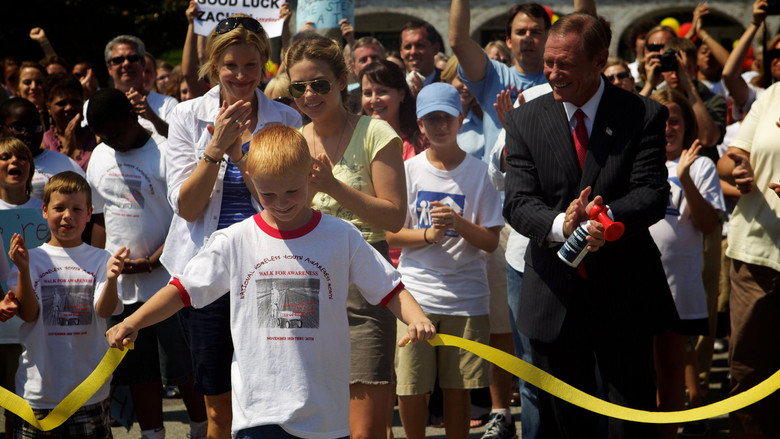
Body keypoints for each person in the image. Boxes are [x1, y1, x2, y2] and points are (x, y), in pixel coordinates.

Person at [107, 124, 436, 439]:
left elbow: (390, 288)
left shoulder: (342, 237)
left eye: (292, 191)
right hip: (259, 411)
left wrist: (417, 318)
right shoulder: (235, 240)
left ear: (310, 174)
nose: (281, 203)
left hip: (325, 416)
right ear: (250, 178)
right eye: (268, 194)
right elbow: (182, 291)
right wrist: (134, 321)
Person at [503, 12, 677, 438]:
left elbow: (652, 193)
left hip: (625, 292)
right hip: (554, 295)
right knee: (563, 423)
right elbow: (519, 203)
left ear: (600, 61)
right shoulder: (526, 120)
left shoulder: (643, 114)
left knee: (630, 418)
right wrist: (566, 225)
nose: (553, 74)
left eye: (565, 65)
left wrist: (605, 220)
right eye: (548, 63)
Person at [161, 15, 301, 439]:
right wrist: (215, 149)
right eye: (231, 66)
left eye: (251, 66)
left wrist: (240, 155)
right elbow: (186, 207)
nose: (241, 76)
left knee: (274, 395)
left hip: (271, 269)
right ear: (214, 66)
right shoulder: (187, 116)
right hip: (208, 272)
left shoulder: (286, 120)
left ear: (264, 65)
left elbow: (288, 206)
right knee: (219, 405)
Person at [285, 34, 407, 439]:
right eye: (298, 87)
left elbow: (394, 215)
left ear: (342, 80)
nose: (309, 94)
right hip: (307, 279)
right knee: (316, 419)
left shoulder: (377, 133)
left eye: (319, 83)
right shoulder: (295, 142)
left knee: (365, 426)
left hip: (363, 278)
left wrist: (335, 188)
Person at [86, 88, 208, 439]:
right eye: (104, 137)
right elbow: (98, 217)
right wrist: (96, 266)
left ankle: (201, 427)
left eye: (116, 133)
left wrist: (156, 259)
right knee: (137, 368)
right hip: (121, 286)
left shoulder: (166, 153)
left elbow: (187, 215)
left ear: (131, 117)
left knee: (181, 365)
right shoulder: (99, 154)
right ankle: (152, 433)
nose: (112, 142)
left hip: (167, 282)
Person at [387, 82, 502, 439]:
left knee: (459, 388)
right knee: (410, 387)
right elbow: (392, 235)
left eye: (446, 118)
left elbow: (490, 241)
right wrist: (429, 235)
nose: (439, 126)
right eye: (431, 119)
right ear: (420, 125)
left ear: (460, 118)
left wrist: (459, 223)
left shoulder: (478, 172)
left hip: (466, 298)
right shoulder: (409, 170)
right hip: (415, 296)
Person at [6, 171, 127, 438]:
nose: (67, 215)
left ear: (89, 213)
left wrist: (111, 279)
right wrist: (24, 270)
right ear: (44, 210)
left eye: (76, 209)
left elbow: (104, 311)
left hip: (88, 392)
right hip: (36, 393)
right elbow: (28, 315)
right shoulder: (32, 258)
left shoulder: (101, 258)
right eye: (59, 208)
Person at [649, 88, 724, 439]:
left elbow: (708, 225)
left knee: (671, 373)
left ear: (686, 125)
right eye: (661, 120)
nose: (667, 128)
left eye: (675, 120)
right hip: (638, 286)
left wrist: (687, 177)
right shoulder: (639, 161)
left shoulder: (702, 164)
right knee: (640, 376)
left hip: (680, 290)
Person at [717, 81, 780, 439]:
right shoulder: (772, 96)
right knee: (748, 372)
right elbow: (730, 159)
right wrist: (736, 170)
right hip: (756, 256)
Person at [0, 136, 38, 437]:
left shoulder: (46, 209)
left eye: (21, 157)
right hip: (3, 329)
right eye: (5, 157)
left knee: (33, 409)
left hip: (40, 324)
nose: (14, 163)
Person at [0, 98, 84, 200]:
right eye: (19, 128)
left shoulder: (65, 165)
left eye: (35, 127)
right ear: (1, 129)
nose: (28, 133)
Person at [97, 35, 178, 138]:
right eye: (118, 60)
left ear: (143, 63)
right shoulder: (96, 105)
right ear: (109, 67)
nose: (126, 64)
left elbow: (177, 140)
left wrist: (151, 116)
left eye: (132, 58)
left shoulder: (168, 104)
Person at [42, 73, 96, 170]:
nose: (69, 108)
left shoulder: (96, 138)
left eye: (75, 102)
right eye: (61, 103)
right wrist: (67, 150)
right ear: (49, 108)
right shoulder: (43, 142)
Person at [400, 20, 443, 95]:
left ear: (435, 48)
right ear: (401, 52)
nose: (413, 52)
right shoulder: (392, 84)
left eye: (420, 46)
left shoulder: (448, 81)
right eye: (408, 47)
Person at [14, 62, 47, 128]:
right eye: (27, 82)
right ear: (17, 88)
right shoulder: (9, 117)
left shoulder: (57, 116)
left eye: (39, 82)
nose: (33, 87)